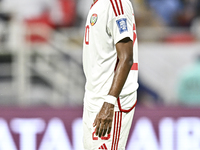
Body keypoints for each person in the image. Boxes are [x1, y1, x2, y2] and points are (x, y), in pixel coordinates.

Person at [82, 0, 139, 149]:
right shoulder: (98, 4)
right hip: (93, 97)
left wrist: (109, 102)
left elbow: (126, 58)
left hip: (110, 101)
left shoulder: (116, 4)